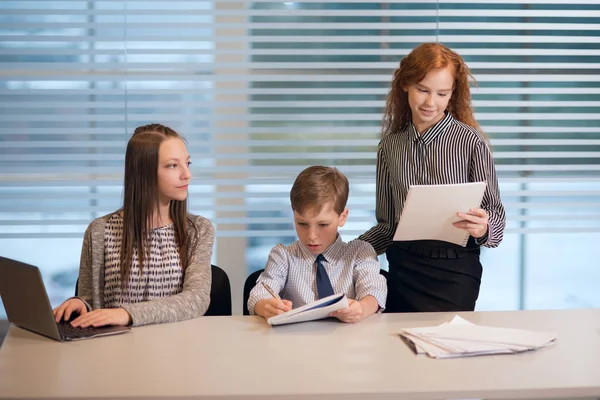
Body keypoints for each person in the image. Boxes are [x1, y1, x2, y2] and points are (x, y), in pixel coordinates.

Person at [358, 42, 506, 313]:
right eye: (422, 90)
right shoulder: (390, 147)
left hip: (456, 272)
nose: (430, 102)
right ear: (405, 85)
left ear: (452, 94)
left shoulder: (470, 142)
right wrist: (349, 251)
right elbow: (388, 226)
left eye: (442, 93)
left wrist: (483, 228)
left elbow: (496, 218)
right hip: (403, 269)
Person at [53, 124, 214, 327]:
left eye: (188, 163)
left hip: (176, 348)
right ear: (143, 172)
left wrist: (127, 314)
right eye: (173, 166)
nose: (186, 174)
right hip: (115, 347)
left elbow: (196, 300)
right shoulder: (100, 231)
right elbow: (92, 301)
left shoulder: (198, 230)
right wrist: (79, 303)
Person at [247, 166, 387, 323]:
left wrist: (361, 309)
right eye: (302, 223)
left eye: (323, 225)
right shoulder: (283, 255)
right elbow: (260, 292)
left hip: (348, 342)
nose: (312, 236)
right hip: (297, 342)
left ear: (342, 217)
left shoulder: (360, 253)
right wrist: (266, 305)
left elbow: (375, 290)